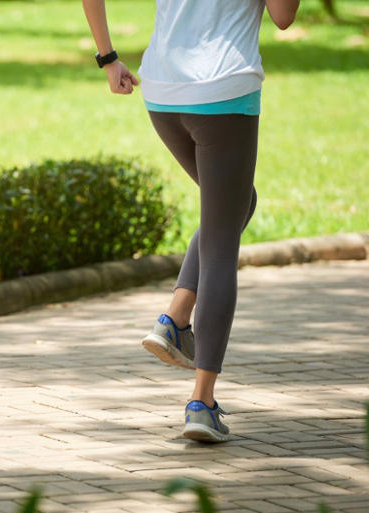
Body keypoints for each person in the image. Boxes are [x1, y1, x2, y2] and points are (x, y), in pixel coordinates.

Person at [83, 0, 300, 442]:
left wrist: (107, 58)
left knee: (238, 203)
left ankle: (176, 319)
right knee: (222, 240)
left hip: (163, 91)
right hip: (223, 91)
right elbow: (283, 16)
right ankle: (201, 403)